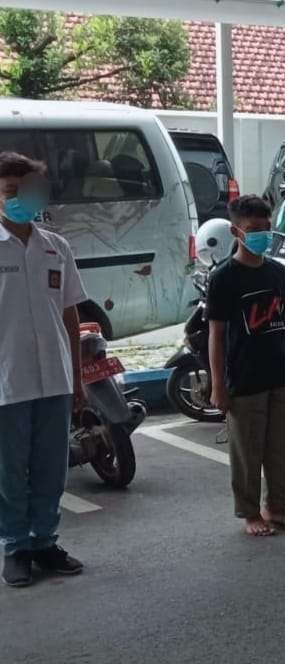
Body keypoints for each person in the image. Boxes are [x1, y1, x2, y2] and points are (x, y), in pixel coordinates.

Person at [0, 152, 88, 587]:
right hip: (7, 380)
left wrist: (78, 378)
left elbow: (70, 317)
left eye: (28, 190)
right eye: (11, 191)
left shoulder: (58, 247)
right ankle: (15, 547)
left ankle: (44, 542)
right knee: (9, 470)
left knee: (52, 467)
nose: (21, 199)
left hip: (54, 376)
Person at [207, 195, 285, 537]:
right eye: (253, 230)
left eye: (266, 228)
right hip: (245, 379)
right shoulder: (224, 277)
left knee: (282, 450)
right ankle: (251, 513)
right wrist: (218, 386)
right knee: (247, 453)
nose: (261, 235)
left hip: (282, 374)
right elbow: (216, 335)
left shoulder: (278, 273)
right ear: (236, 231)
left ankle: (277, 508)